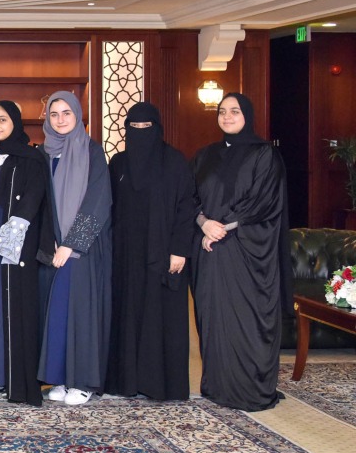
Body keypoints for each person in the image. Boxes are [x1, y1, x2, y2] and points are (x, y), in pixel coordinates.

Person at [191, 93, 291, 412]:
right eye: (222, 111)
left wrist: (223, 228)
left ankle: (249, 389)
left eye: (235, 111)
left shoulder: (265, 154)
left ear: (247, 115)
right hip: (209, 250)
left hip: (246, 250)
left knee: (246, 320)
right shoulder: (205, 155)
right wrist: (205, 224)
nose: (227, 116)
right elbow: (190, 197)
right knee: (213, 318)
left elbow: (263, 202)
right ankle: (218, 385)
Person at [105, 102, 196, 401]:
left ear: (158, 129)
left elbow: (186, 208)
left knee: (160, 317)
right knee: (127, 315)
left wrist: (179, 249)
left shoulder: (175, 162)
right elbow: (109, 209)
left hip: (163, 254)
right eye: (134, 127)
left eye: (147, 127)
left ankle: (159, 385)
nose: (140, 132)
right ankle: (126, 382)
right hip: (125, 256)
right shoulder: (118, 163)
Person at [37, 91, 112, 407]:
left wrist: (71, 243)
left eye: (66, 113)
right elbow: (40, 201)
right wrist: (50, 240)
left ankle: (82, 381)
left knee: (81, 313)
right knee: (57, 313)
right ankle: (61, 377)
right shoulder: (43, 154)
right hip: (53, 247)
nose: (60, 119)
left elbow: (98, 200)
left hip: (83, 248)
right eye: (54, 114)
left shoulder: (92, 152)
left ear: (78, 115)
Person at [0, 100, 49, 407]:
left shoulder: (32, 157)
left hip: (16, 244)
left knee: (14, 308)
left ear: (15, 121)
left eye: (2, 119)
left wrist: (0, 240)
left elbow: (31, 202)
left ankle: (14, 381)